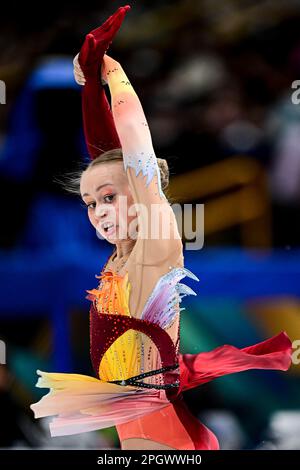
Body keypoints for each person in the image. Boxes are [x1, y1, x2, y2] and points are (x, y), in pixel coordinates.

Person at [30, 5, 293, 450]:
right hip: (138, 424)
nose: (96, 211)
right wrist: (89, 85)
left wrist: (108, 69)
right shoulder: (123, 254)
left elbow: (132, 140)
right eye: (90, 203)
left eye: (108, 198)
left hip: (161, 431)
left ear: (141, 191)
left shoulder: (154, 238)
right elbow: (105, 157)